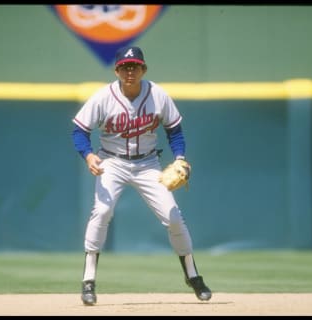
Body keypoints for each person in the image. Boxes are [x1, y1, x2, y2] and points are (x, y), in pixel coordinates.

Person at [71, 46, 212, 306]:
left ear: (143, 69)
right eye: (125, 67)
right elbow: (79, 131)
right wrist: (89, 155)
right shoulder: (103, 97)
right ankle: (88, 280)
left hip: (148, 163)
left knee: (173, 217)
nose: (130, 71)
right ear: (116, 70)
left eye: (135, 66)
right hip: (112, 162)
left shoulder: (158, 95)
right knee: (101, 212)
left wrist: (180, 157)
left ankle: (193, 275)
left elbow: (175, 131)